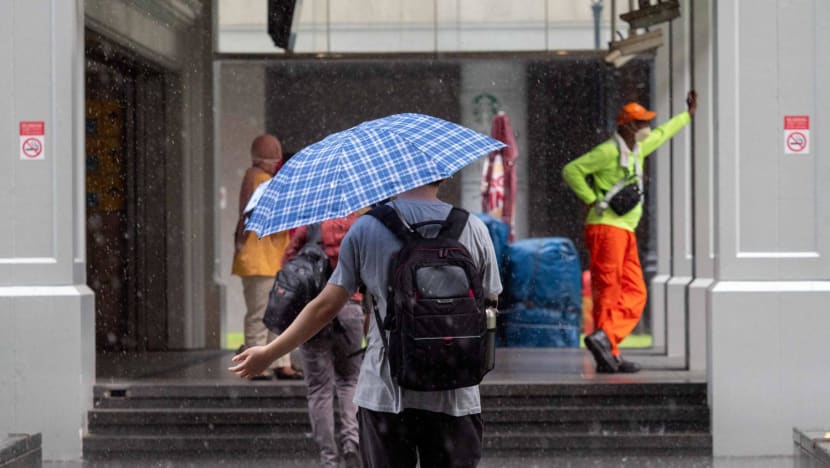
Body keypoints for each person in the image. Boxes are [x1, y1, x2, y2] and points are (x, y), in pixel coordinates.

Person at [230, 179, 502, 467]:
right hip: (456, 391)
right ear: (444, 176)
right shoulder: (473, 227)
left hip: (385, 393)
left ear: (392, 175)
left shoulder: (368, 228)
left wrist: (269, 353)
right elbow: (490, 304)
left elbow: (325, 306)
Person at [562, 91, 698, 373]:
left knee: (635, 291)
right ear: (626, 126)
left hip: (624, 230)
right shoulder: (608, 151)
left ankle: (606, 340)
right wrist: (591, 198)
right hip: (606, 228)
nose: (646, 127)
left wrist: (687, 116)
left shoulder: (637, 149)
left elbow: (662, 134)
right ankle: (608, 353)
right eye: (640, 122)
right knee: (608, 291)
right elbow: (572, 170)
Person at [282, 212, 364, 468]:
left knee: (319, 389)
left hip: (314, 311)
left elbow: (289, 260)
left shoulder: (312, 222)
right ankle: (351, 443)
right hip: (351, 306)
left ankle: (329, 459)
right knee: (350, 381)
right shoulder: (362, 223)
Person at [231, 134, 302, 380]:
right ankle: (262, 364)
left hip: (264, 260)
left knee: (268, 314)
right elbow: (278, 219)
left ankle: (275, 362)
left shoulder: (255, 179)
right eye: (274, 159)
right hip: (262, 261)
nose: (277, 164)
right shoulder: (261, 180)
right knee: (265, 315)